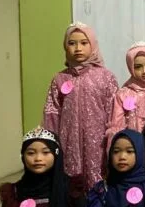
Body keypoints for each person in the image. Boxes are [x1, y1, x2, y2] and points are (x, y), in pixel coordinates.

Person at [43, 22, 118, 191]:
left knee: (98, 185)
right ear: (65, 46)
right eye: (72, 43)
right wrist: (50, 145)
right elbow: (52, 115)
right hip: (69, 144)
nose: (78, 48)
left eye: (84, 43)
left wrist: (112, 144)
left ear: (93, 45)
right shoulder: (59, 79)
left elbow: (114, 113)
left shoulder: (106, 77)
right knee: (72, 188)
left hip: (98, 145)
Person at [106, 42, 145, 141]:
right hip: (132, 144)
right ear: (130, 67)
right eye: (138, 67)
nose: (144, 71)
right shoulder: (124, 94)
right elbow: (117, 125)